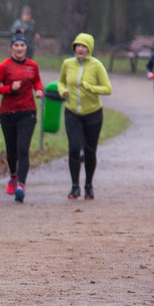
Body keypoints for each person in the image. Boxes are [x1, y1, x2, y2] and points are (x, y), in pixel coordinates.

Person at [0, 33, 44, 202]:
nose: (19, 49)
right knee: (11, 150)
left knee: (22, 148)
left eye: (22, 46)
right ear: (11, 47)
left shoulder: (32, 65)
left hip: (27, 112)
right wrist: (9, 88)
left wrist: (39, 90)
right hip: (8, 113)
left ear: (27, 48)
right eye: (16, 46)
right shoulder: (4, 66)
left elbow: (37, 82)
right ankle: (13, 176)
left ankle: (21, 185)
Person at [57, 33, 112, 200]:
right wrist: (62, 91)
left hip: (93, 114)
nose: (80, 49)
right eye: (77, 46)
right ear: (74, 47)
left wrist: (90, 88)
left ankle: (88, 185)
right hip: (72, 113)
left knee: (89, 151)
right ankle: (75, 186)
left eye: (84, 46)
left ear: (90, 48)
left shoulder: (97, 66)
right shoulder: (67, 64)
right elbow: (61, 82)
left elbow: (107, 89)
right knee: (74, 148)